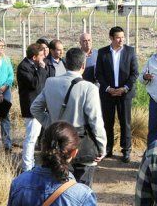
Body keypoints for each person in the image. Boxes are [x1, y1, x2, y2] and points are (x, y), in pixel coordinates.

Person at [31, 47, 106, 187]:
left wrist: (50, 124)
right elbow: (95, 121)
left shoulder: (50, 82)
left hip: (56, 144)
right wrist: (102, 147)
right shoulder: (89, 88)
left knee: (57, 188)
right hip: (81, 145)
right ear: (83, 65)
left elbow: (35, 108)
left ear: (65, 64)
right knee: (82, 190)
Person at [95, 26, 138, 163]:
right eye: (118, 37)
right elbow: (99, 74)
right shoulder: (102, 52)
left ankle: (126, 150)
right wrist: (108, 88)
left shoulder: (130, 51)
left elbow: (134, 73)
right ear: (111, 38)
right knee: (108, 122)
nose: (121, 40)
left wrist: (124, 88)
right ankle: (108, 148)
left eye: (123, 37)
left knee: (125, 122)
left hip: (124, 94)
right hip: (108, 94)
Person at [17, 42, 48, 171]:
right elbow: (35, 84)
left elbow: (43, 82)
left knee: (35, 136)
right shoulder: (24, 67)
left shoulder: (34, 65)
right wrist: (41, 68)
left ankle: (32, 163)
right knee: (31, 138)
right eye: (41, 55)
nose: (43, 57)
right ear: (34, 57)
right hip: (31, 107)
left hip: (39, 106)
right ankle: (27, 166)